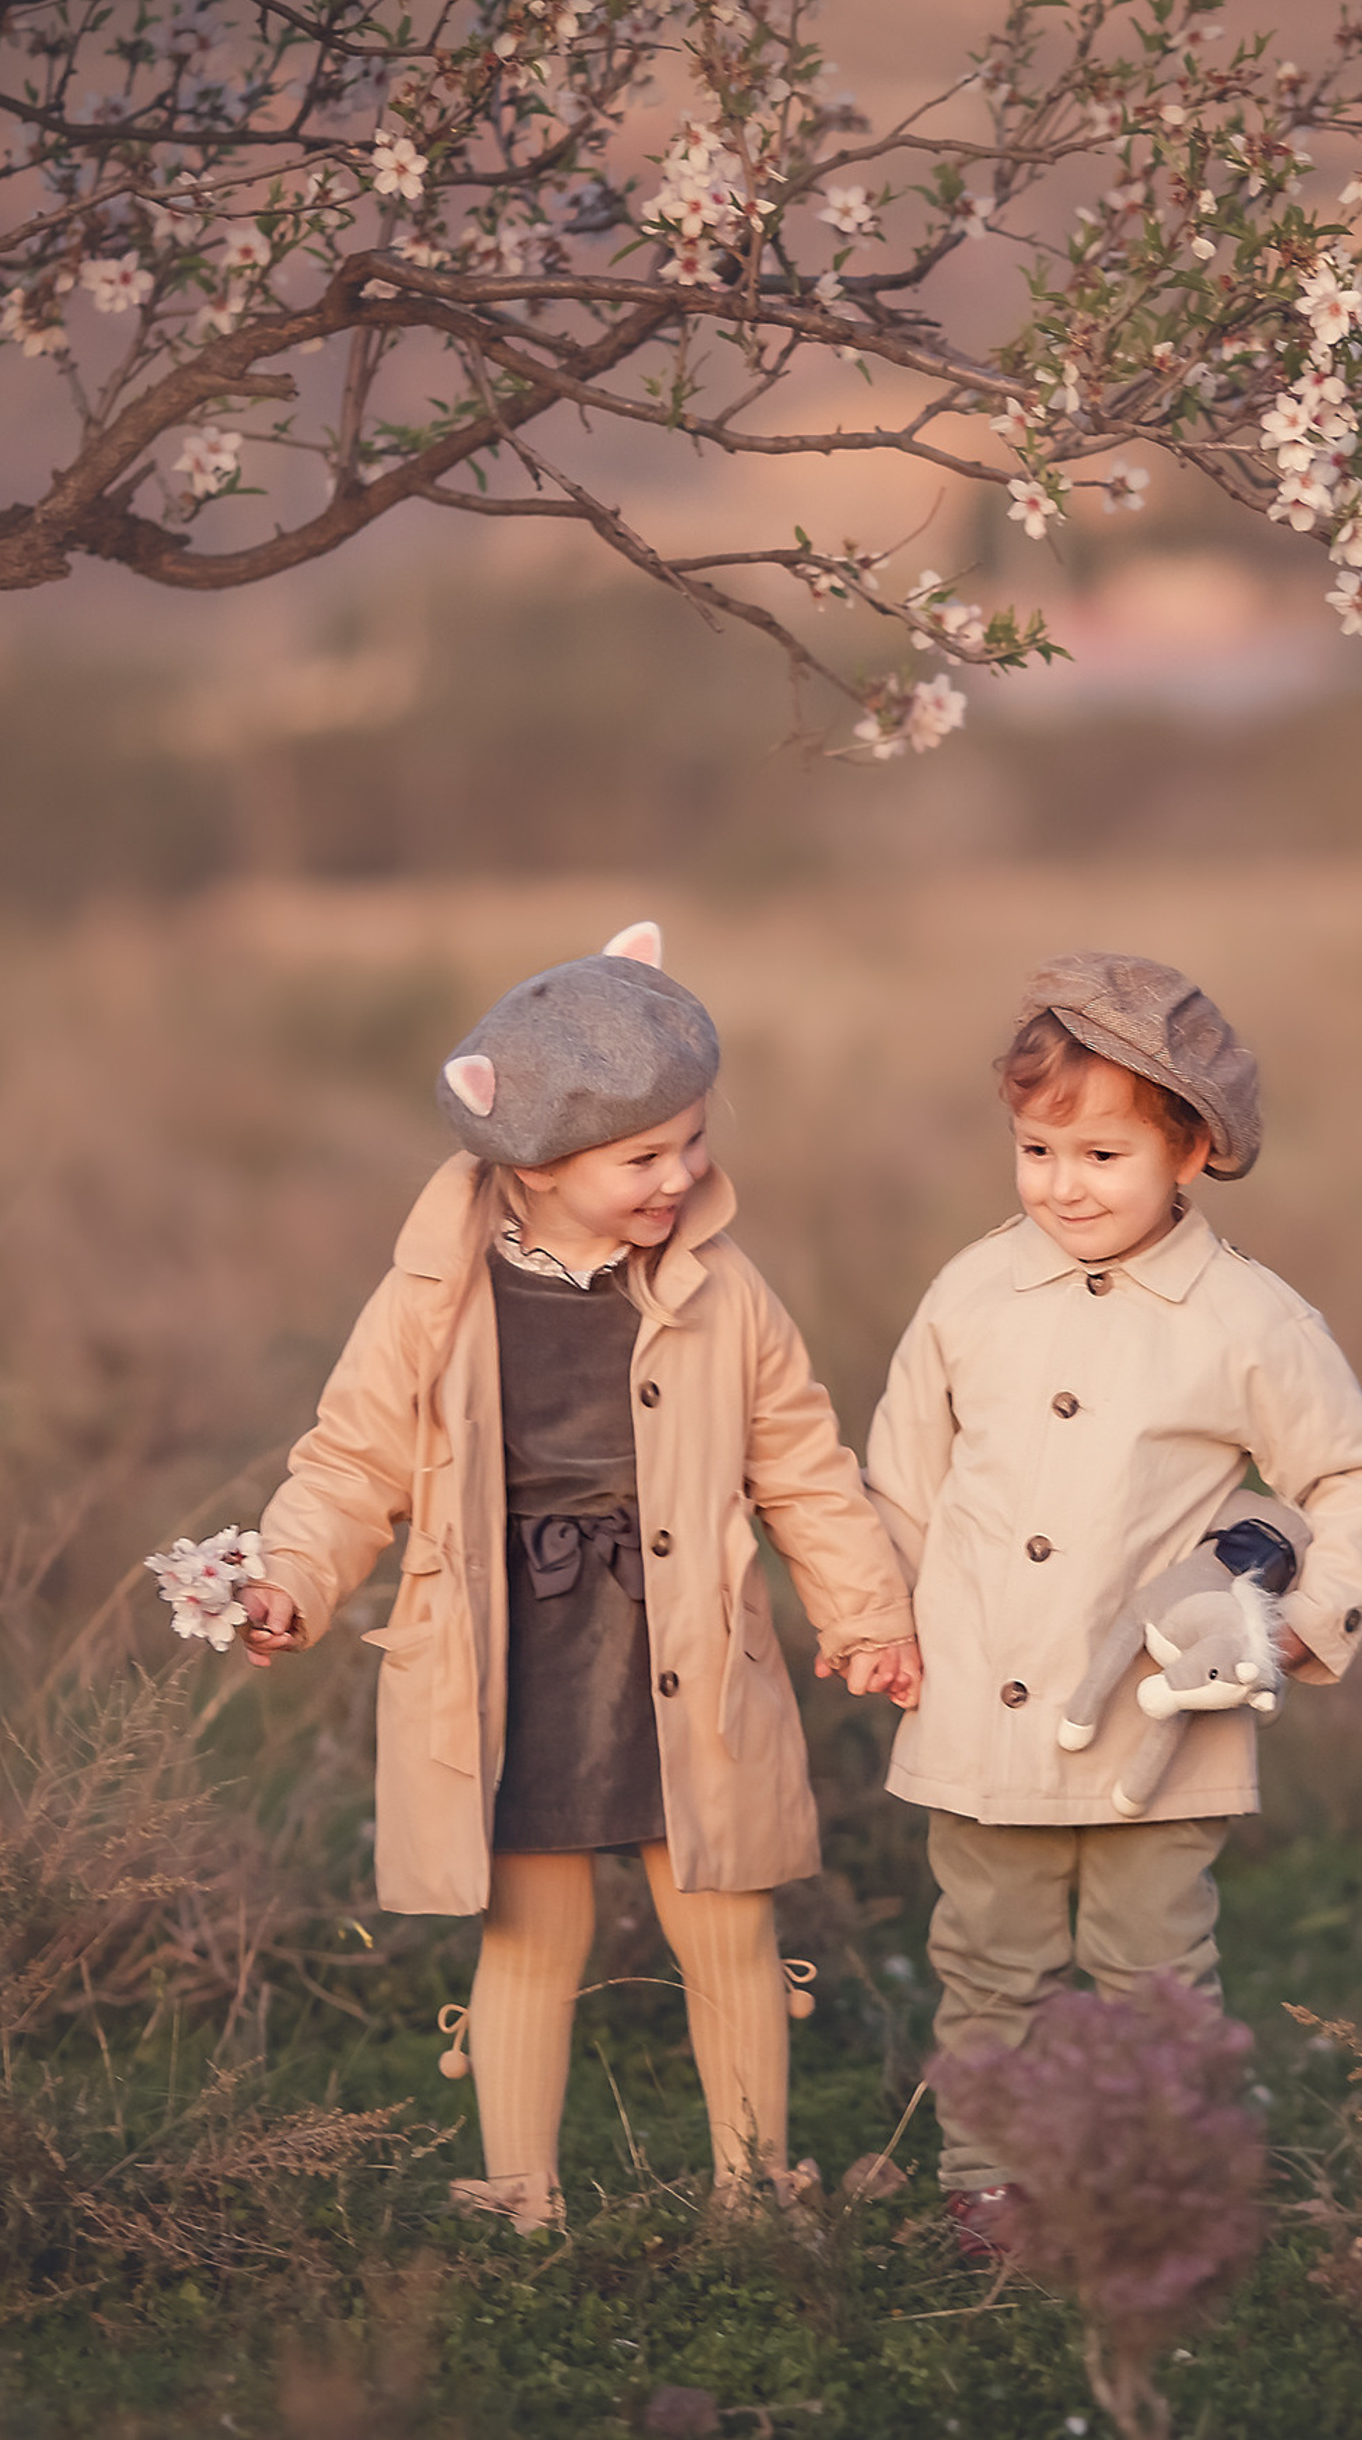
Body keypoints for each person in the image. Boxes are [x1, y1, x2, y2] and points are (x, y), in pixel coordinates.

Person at [229, 922, 920, 2230]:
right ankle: (519, 2191)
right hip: (517, 1652)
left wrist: (866, 1611)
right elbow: (352, 1459)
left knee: (726, 1925)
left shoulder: (723, 1288)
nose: (682, 1176)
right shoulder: (431, 1297)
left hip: (685, 1639)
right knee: (530, 1935)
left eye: (692, 1143)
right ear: (534, 1164)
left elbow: (801, 1461)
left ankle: (754, 2190)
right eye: (643, 1159)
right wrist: (291, 1578)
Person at [864, 949, 1362, 2255]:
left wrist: (1295, 1620)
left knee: (1154, 1968)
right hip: (983, 1708)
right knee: (988, 1959)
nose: (1065, 1185)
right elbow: (902, 1477)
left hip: (1159, 1724)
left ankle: (1161, 2178)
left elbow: (1353, 1475)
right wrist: (887, 1620)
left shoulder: (1247, 1318)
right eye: (1038, 1151)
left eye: (1103, 1155)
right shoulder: (971, 1293)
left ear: (1191, 1151)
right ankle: (990, 2179)